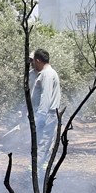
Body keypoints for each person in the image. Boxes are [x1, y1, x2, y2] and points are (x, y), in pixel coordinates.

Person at [28, 48, 62, 185]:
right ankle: (37, 172)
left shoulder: (47, 74)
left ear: (38, 60)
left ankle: (35, 175)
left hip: (47, 115)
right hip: (48, 114)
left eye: (33, 62)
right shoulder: (48, 73)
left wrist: (40, 117)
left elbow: (45, 97)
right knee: (42, 143)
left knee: (42, 143)